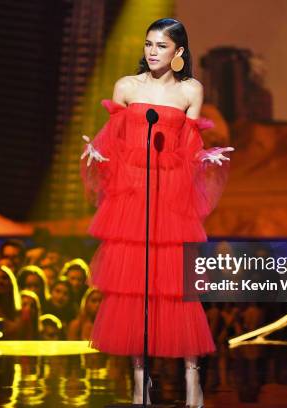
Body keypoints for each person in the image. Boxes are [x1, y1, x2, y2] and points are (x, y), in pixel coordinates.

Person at [80, 18, 233, 407]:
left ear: (179, 53)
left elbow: (191, 147)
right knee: (135, 287)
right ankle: (138, 380)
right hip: (133, 197)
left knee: (175, 286)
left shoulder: (190, 91)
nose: (152, 51)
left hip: (170, 198)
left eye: (161, 46)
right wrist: (99, 157)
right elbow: (113, 139)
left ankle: (191, 374)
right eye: (149, 44)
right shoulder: (127, 87)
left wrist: (203, 158)